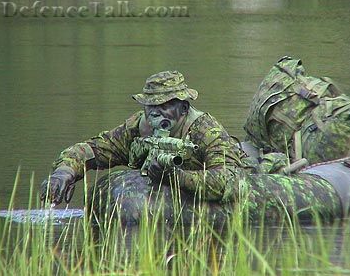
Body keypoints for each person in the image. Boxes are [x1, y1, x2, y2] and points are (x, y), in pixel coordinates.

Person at [40, 71, 244, 206]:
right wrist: (64, 173)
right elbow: (92, 150)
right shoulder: (138, 128)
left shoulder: (206, 132)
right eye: (151, 106)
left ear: (183, 108)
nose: (155, 113)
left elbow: (232, 181)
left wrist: (178, 178)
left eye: (164, 106)